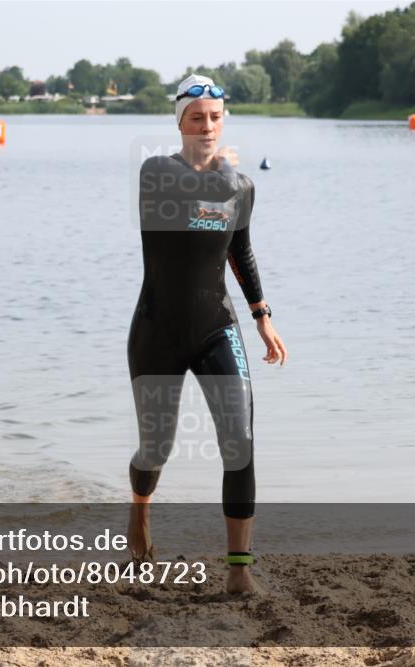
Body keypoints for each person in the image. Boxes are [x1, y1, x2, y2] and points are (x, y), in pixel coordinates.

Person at [127, 74, 287, 594]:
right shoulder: (157, 173)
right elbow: (191, 200)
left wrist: (262, 314)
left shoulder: (240, 186)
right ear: (180, 122)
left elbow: (240, 251)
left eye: (216, 117)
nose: (208, 126)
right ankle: (140, 511)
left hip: (216, 326)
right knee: (157, 448)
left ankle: (239, 571)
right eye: (197, 118)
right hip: (157, 329)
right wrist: (222, 177)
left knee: (239, 443)